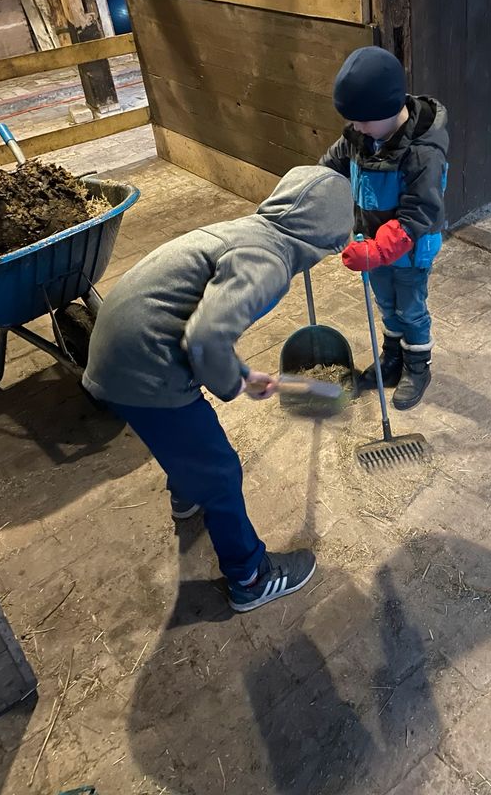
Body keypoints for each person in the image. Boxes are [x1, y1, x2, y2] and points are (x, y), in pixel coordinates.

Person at [82, 166, 353, 612]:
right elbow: (205, 338)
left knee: (187, 443)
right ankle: (250, 576)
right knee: (221, 470)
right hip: (144, 367)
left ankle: (188, 495)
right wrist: (233, 382)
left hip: (118, 349)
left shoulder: (248, 232)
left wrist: (243, 374)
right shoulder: (270, 261)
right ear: (326, 241)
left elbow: (199, 322)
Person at [320, 46, 449, 410]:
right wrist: (309, 191)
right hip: (371, 249)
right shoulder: (361, 134)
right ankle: (392, 359)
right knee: (387, 306)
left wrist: (377, 251)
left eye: (362, 120)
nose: (356, 127)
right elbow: (329, 167)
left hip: (408, 251)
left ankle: (417, 367)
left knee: (410, 310)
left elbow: (418, 213)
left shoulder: (423, 152)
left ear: (389, 109)